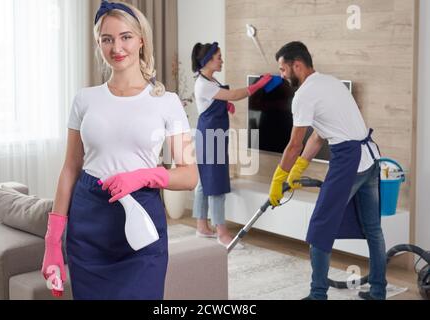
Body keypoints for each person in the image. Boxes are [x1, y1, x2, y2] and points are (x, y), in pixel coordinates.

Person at [41, 1, 197, 300]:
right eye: (107, 39)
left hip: (140, 223)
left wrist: (143, 176)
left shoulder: (167, 101)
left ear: (141, 40)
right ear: (98, 43)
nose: (117, 47)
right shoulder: (84, 100)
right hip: (89, 224)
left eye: (125, 36)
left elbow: (190, 175)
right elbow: (70, 168)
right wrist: (52, 242)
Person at [268, 41, 387, 300]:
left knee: (320, 228)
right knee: (373, 229)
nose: (281, 75)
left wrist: (277, 179)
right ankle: (379, 292)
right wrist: (298, 168)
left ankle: (317, 295)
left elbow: (294, 143)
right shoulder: (330, 83)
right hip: (370, 159)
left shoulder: (304, 95)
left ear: (296, 65)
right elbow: (318, 137)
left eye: (282, 69)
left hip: (349, 161)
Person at [191, 42, 272, 247]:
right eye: (219, 57)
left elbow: (215, 99)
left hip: (211, 134)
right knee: (216, 182)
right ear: (208, 60)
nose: (222, 60)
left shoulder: (209, 80)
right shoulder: (204, 84)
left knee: (204, 180)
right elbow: (235, 94)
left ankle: (202, 226)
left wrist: (224, 104)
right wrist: (259, 85)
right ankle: (222, 232)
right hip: (211, 137)